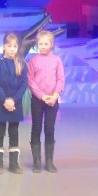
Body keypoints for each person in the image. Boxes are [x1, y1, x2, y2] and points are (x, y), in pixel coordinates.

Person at [27, 30, 65, 173]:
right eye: (41, 44)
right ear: (37, 44)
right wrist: (42, 96)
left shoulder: (57, 60)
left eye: (46, 44)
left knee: (49, 129)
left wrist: (55, 95)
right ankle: (36, 161)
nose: (43, 46)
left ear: (51, 45)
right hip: (38, 100)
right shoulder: (33, 61)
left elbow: (60, 79)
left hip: (52, 100)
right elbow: (31, 81)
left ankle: (49, 161)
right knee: (36, 128)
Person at [0, 32, 28, 174]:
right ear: (4, 46)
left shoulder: (22, 63)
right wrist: (5, 100)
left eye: (15, 46)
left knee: (14, 132)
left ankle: (14, 164)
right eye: (9, 46)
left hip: (15, 104)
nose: (12, 49)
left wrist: (14, 100)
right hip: (1, 103)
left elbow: (24, 84)